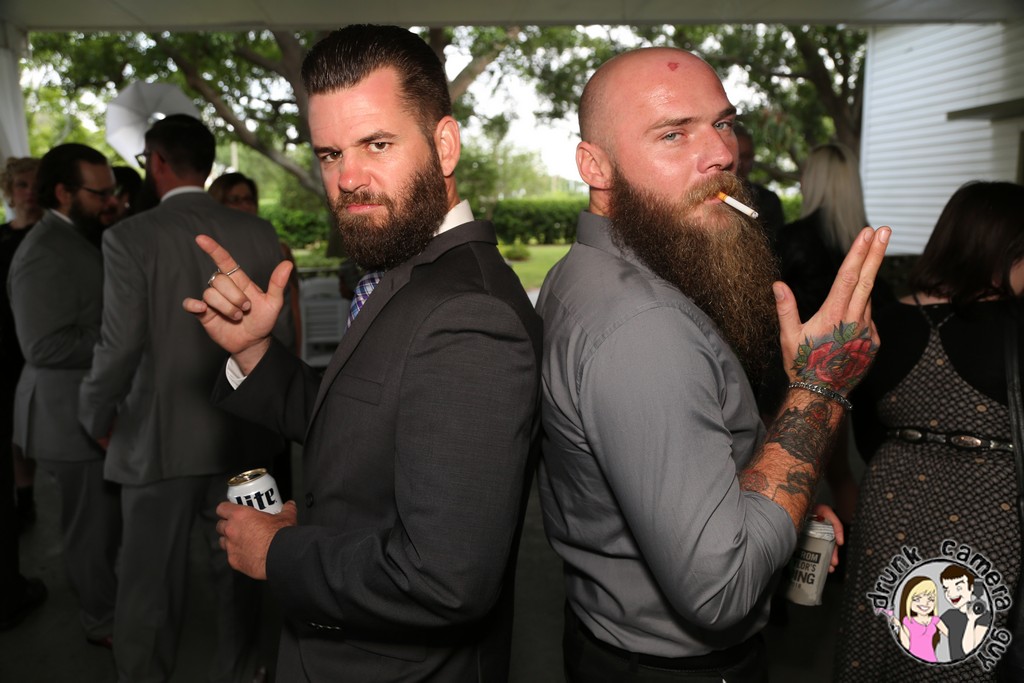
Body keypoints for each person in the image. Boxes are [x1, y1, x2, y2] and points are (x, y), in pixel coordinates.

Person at [183, 24, 542, 682]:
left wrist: (280, 552)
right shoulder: (407, 271)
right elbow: (361, 420)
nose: (348, 179)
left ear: (445, 144)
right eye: (329, 154)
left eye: (377, 144)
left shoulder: (470, 315)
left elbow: (447, 580)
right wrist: (256, 350)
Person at [536, 46, 890, 682]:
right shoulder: (643, 327)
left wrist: (782, 509)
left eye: (723, 123)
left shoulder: (588, 270)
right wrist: (819, 387)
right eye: (673, 134)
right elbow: (719, 589)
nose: (722, 154)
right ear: (595, 165)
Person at [78, 115, 292, 683]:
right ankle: (242, 671)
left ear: (156, 161)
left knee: (148, 583)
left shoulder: (130, 236)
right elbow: (281, 341)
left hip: (157, 439)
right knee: (242, 574)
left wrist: (94, 415)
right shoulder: (259, 232)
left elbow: (119, 346)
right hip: (243, 436)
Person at [834, 181, 1024, 681]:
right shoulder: (1013, 322)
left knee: (881, 640)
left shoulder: (883, 321)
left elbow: (865, 426)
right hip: (992, 505)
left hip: (889, 495)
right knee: (961, 649)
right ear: (1002, 250)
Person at [7, 143, 121, 647]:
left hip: (82, 410)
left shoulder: (74, 235)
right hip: (64, 415)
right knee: (90, 530)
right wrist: (121, 335)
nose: (111, 201)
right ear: (63, 193)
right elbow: (43, 345)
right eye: (100, 193)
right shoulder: (43, 251)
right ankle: (101, 621)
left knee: (102, 524)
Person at [209, 171, 300, 501]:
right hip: (225, 370)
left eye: (248, 199)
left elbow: (292, 309)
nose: (244, 206)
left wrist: (292, 358)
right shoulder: (213, 253)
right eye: (234, 199)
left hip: (271, 361)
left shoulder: (273, 245)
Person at [0, 155, 46, 629]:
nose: (28, 191)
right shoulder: (3, 238)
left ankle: (28, 493)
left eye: (35, 183)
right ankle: (24, 496)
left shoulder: (54, 237)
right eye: (20, 184)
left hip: (37, 351)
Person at [734, 124, 785, 250]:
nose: (740, 163)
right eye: (736, 155)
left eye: (746, 156)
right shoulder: (711, 198)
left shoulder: (769, 200)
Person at [892, 576, 948, 662]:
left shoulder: (935, 620)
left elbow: (951, 635)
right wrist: (899, 626)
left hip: (931, 660)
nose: (925, 603)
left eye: (931, 599)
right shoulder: (908, 621)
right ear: (908, 600)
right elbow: (906, 645)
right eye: (917, 599)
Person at [940, 565, 990, 660]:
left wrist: (971, 620)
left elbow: (968, 650)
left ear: (971, 587)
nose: (951, 593)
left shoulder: (984, 616)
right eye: (946, 589)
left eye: (958, 588)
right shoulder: (949, 614)